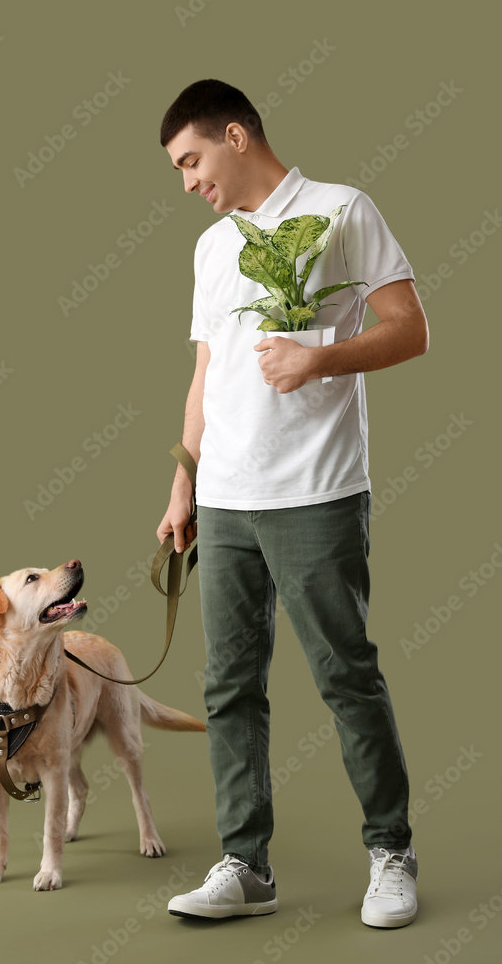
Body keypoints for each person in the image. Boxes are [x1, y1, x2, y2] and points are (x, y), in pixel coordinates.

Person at [155, 79, 429, 927]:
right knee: (229, 686)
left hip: (315, 490)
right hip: (226, 500)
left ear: (235, 136)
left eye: (191, 160)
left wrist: (318, 361)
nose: (188, 182)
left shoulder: (342, 209)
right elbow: (207, 374)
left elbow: (410, 327)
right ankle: (246, 866)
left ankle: (389, 852)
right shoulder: (211, 249)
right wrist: (182, 481)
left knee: (345, 675)